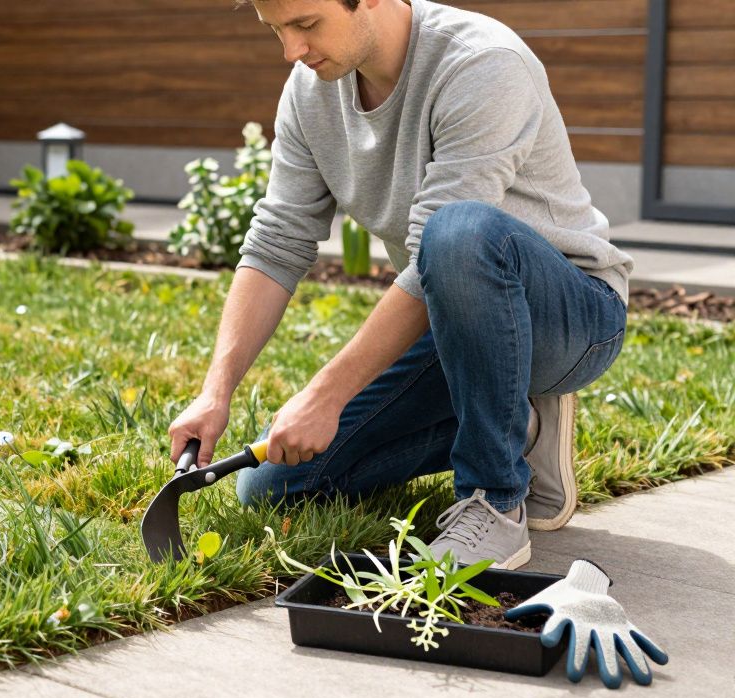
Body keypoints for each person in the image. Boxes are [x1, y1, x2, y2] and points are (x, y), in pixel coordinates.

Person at [167, 0, 633, 570]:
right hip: (455, 318)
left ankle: (494, 500)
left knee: (457, 230)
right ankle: (522, 427)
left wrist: (325, 396)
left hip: (572, 319)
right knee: (274, 486)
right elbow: (277, 241)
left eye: (306, 25)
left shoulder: (483, 63)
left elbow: (440, 250)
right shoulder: (310, 89)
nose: (292, 50)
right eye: (276, 31)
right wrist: (216, 392)